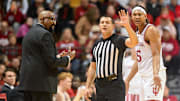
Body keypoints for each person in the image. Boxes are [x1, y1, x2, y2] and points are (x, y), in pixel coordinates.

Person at [18, 10, 76, 101]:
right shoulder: (45, 34)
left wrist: (58, 56)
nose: (54, 22)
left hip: (27, 83)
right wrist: (68, 59)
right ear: (43, 19)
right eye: (52, 19)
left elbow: (39, 57)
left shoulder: (29, 33)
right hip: (41, 84)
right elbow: (51, 62)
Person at [85, 10, 138, 101]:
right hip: (100, 85)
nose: (104, 24)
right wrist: (87, 86)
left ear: (113, 26)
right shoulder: (96, 44)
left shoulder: (118, 40)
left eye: (107, 22)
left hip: (115, 84)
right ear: (99, 26)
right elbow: (93, 67)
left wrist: (127, 26)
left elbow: (134, 42)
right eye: (102, 22)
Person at [125, 6, 167, 101]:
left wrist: (155, 74)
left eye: (139, 14)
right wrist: (127, 79)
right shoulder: (136, 34)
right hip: (143, 77)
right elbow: (139, 61)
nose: (137, 17)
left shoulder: (151, 30)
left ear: (145, 16)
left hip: (154, 75)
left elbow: (156, 54)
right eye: (134, 15)